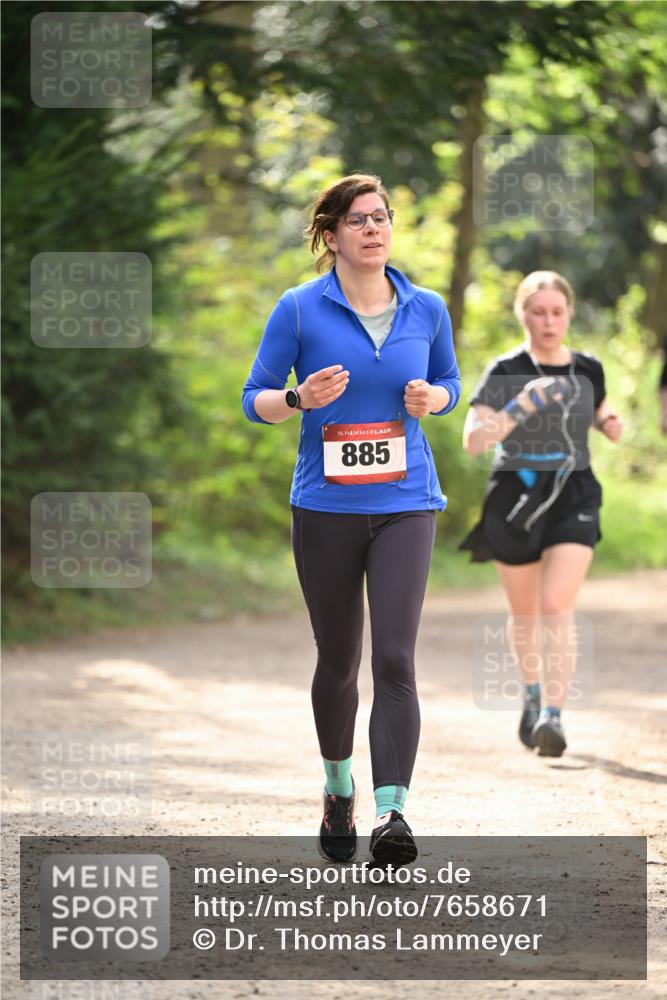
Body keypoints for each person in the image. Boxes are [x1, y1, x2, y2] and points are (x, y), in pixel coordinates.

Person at [242, 173, 460, 866]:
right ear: (331, 235)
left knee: (395, 659)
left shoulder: (424, 307)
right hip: (326, 510)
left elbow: (451, 382)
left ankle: (392, 811)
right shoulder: (300, 310)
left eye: (382, 217)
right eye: (359, 220)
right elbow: (253, 399)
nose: (374, 228)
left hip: (406, 504)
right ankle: (338, 787)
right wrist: (297, 397)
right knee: (339, 663)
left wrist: (436, 398)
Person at [460, 271, 624, 757]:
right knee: (525, 612)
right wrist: (520, 405)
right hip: (517, 496)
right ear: (523, 315)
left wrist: (610, 422)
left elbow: (600, 409)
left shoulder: (588, 368)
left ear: (568, 313)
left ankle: (554, 713)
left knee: (556, 605)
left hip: (574, 493)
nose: (548, 321)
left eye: (557, 312)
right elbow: (474, 441)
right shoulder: (505, 369)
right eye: (539, 312)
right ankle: (531, 694)